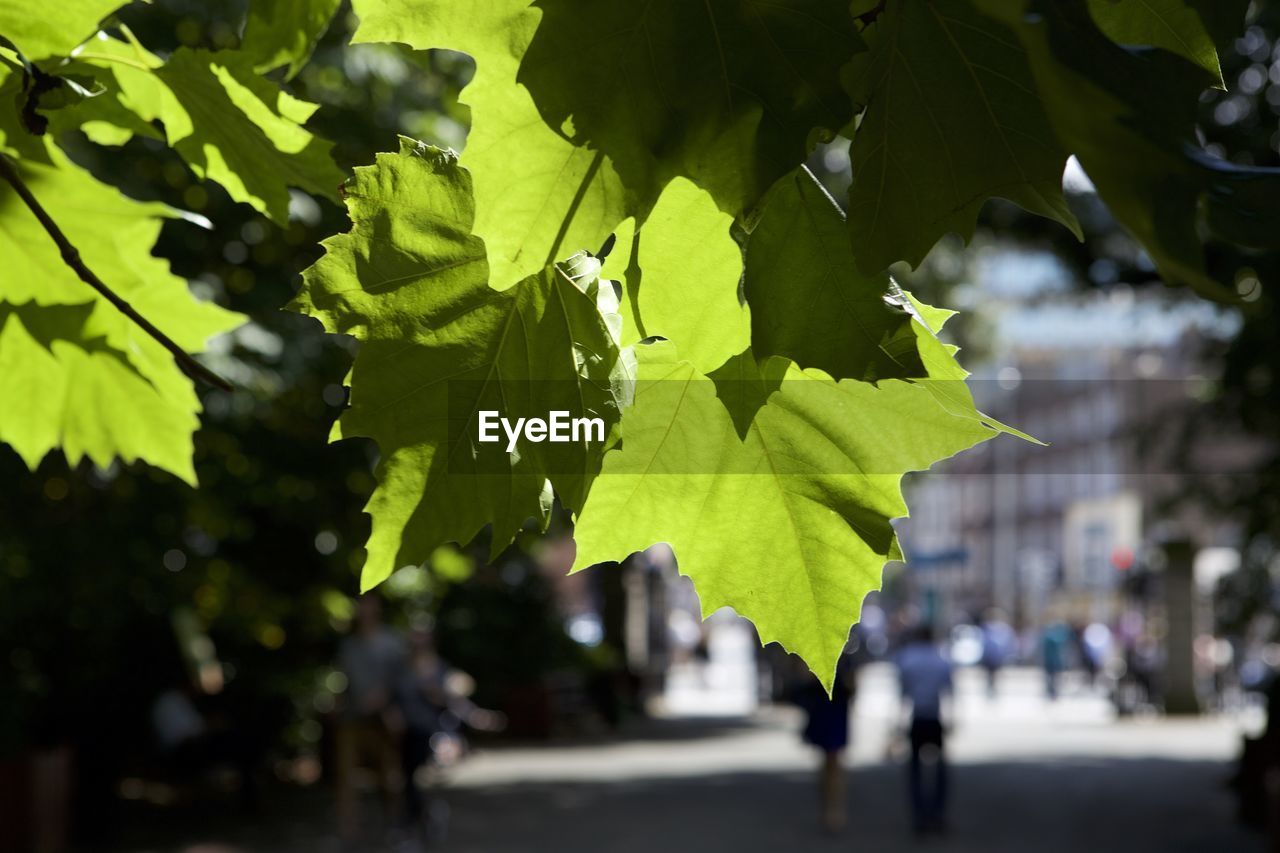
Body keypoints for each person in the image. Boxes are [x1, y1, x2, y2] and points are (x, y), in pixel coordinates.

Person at [334, 593, 406, 843]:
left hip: (383, 720)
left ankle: (394, 825)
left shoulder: (392, 643)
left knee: (389, 776)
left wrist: (386, 700)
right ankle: (349, 832)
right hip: (352, 719)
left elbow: (401, 680)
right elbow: (345, 683)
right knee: (346, 777)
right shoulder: (349, 645)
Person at [896, 623, 953, 835]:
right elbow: (950, 692)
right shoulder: (941, 659)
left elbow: (902, 694)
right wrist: (952, 719)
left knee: (914, 770)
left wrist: (898, 722)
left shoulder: (907, 659)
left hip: (917, 718)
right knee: (940, 770)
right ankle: (937, 814)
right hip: (934, 717)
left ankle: (919, 816)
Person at [794, 651, 857, 833]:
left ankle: (833, 809)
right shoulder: (828, 655)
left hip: (833, 710)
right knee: (829, 762)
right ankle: (831, 809)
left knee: (832, 761)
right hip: (825, 710)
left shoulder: (846, 657)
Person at [979, 609, 1014, 697]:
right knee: (991, 673)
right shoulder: (987, 628)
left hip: (994, 655)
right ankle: (991, 687)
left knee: (992, 673)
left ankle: (992, 687)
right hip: (992, 655)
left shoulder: (1000, 628)